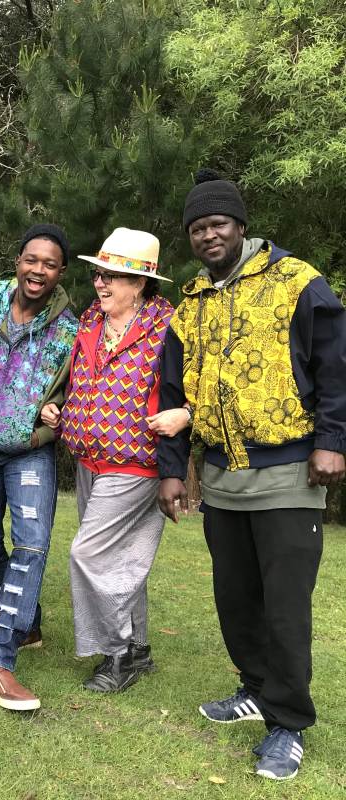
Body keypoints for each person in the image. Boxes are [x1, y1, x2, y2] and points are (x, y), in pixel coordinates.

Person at [158, 169, 346, 781]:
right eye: (198, 228)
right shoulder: (190, 302)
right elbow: (171, 393)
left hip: (290, 472)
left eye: (218, 224)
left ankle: (287, 724)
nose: (209, 236)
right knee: (236, 600)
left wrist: (333, 440)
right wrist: (173, 471)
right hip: (221, 477)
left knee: (285, 606)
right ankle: (256, 688)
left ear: (241, 226)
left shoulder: (298, 283)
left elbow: (335, 366)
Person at [40, 228, 181, 693]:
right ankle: (138, 649)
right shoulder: (90, 323)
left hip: (137, 462)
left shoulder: (168, 327)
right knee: (118, 560)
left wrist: (186, 414)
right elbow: (79, 380)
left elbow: (195, 385)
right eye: (99, 273)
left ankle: (116, 654)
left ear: (140, 283)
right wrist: (58, 406)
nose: (101, 283)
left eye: (114, 277)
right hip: (89, 459)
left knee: (89, 554)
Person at [0, 223, 78, 710]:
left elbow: (75, 385)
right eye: (31, 259)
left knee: (30, 547)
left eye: (49, 264)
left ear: (59, 271)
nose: (38, 270)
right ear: (18, 260)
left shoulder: (71, 327)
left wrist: (54, 414)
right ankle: (26, 616)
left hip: (30, 450)